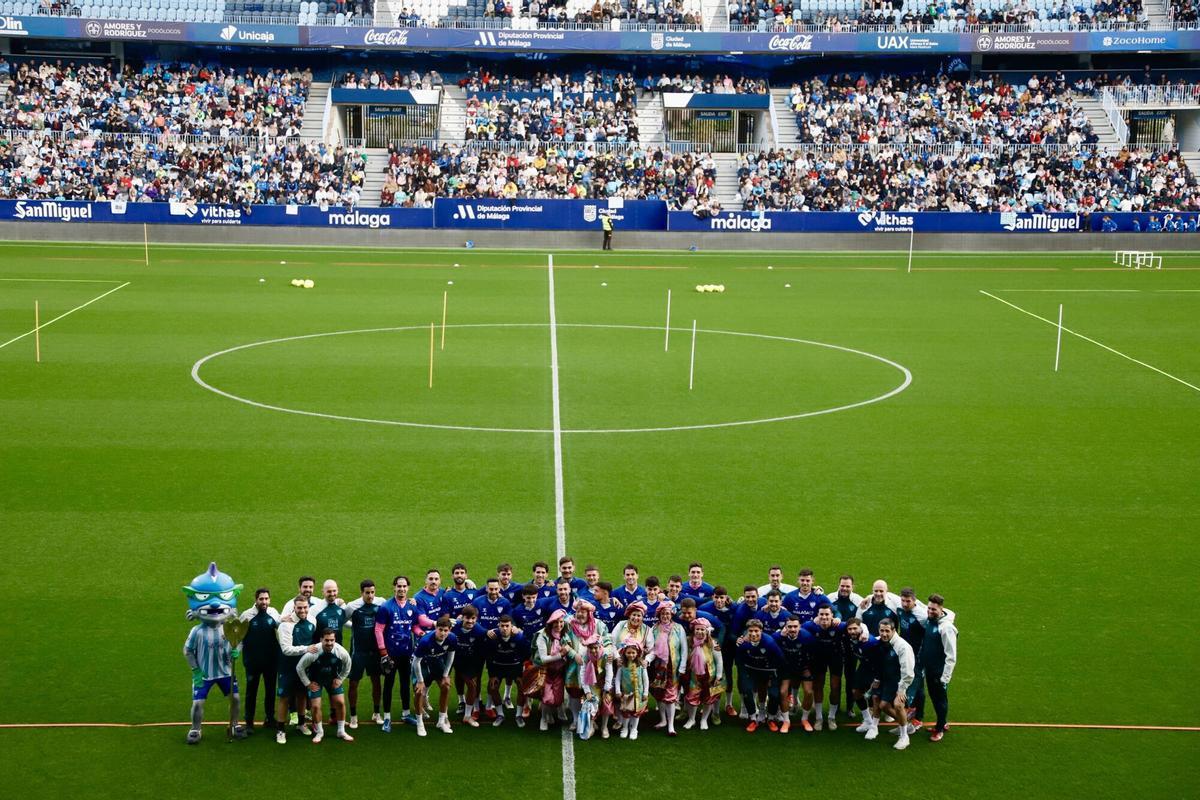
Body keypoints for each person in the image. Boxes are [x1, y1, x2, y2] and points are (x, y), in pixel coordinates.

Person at [374, 575, 418, 732]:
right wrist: (383, 652)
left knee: (405, 683)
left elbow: (414, 627)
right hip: (391, 654)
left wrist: (421, 633)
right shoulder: (386, 607)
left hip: (406, 653)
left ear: (408, 588)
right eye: (399, 586)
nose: (402, 589)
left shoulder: (412, 607)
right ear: (394, 587)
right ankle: (387, 717)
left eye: (404, 586)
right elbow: (378, 630)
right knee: (389, 685)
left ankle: (406, 714)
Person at [295, 628, 354, 744]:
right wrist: (308, 683)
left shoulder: (340, 651)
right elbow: (299, 667)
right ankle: (320, 732)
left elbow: (348, 664)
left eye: (332, 640)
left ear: (335, 639)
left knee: (341, 702)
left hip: (332, 680)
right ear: (321, 639)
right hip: (316, 680)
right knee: (316, 707)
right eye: (327, 640)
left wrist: (340, 679)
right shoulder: (313, 652)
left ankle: (341, 731)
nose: (329, 643)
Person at [275, 596, 320, 744]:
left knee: (301, 695)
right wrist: (306, 649)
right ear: (294, 608)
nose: (303, 610)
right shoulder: (285, 625)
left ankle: (301, 724)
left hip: (304, 667)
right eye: (299, 608)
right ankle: (280, 730)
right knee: (285, 698)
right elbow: (286, 649)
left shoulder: (312, 621)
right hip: (287, 667)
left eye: (305, 607)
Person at [801, 604, 850, 731]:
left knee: (835, 687)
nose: (824, 617)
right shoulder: (810, 626)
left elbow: (859, 626)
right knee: (818, 686)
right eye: (821, 614)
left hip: (835, 658)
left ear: (832, 616)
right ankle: (819, 717)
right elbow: (796, 629)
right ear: (817, 616)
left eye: (827, 614)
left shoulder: (840, 626)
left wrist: (865, 632)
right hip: (818, 658)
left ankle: (831, 717)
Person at [239, 588, 281, 733]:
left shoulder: (274, 613)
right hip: (252, 661)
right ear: (256, 600)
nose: (264, 602)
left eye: (266, 599)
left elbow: (282, 627)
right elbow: (238, 636)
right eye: (261, 599)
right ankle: (249, 722)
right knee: (251, 691)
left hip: (271, 660)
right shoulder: (246, 615)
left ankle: (270, 718)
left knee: (270, 691)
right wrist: (235, 652)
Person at [871, 618, 915, 750]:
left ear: (894, 630)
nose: (884, 634)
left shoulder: (902, 646)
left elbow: (907, 671)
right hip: (890, 680)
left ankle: (904, 737)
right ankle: (906, 725)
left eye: (887, 631)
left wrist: (901, 690)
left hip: (905, 680)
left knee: (898, 704)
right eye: (882, 631)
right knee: (883, 705)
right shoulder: (880, 641)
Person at [920, 594, 958, 742]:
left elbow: (951, 656)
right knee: (935, 698)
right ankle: (942, 722)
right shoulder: (931, 620)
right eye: (929, 608)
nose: (930, 611)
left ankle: (940, 728)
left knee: (940, 699)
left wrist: (945, 678)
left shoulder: (946, 628)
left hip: (939, 672)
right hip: (930, 669)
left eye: (934, 609)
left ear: (941, 609)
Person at [412, 616, 458, 736]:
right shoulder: (425, 641)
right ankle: (420, 723)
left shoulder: (452, 639)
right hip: (422, 663)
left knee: (446, 687)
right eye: (440, 629)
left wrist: (445, 675)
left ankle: (441, 721)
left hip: (436, 661)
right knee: (419, 692)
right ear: (436, 628)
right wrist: (420, 681)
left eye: (445, 630)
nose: (442, 633)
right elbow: (416, 662)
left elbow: (450, 657)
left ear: (450, 630)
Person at [736, 619, 784, 732]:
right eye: (750, 631)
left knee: (774, 694)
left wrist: (775, 676)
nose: (753, 634)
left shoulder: (769, 642)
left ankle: (771, 718)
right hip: (751, 670)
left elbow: (781, 659)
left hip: (769, 670)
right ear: (747, 631)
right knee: (746, 690)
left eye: (756, 631)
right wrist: (744, 676)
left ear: (761, 631)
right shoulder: (743, 643)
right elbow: (739, 660)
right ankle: (753, 718)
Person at [647, 602, 686, 736]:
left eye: (668, 613)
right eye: (663, 613)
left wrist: (682, 666)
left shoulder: (678, 628)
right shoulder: (653, 629)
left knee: (670, 695)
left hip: (672, 667)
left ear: (672, 614)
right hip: (658, 667)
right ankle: (663, 720)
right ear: (659, 615)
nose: (665, 616)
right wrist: (648, 660)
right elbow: (651, 648)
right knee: (659, 692)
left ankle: (671, 726)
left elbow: (684, 648)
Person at [483, 615, 529, 727]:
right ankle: (500, 714)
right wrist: (492, 674)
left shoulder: (519, 637)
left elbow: (526, 653)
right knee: (493, 687)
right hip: (498, 666)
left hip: (514, 666)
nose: (504, 628)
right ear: (498, 626)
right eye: (502, 626)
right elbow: (488, 657)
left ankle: (518, 715)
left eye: (507, 626)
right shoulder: (493, 637)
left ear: (511, 626)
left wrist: (520, 665)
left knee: (522, 687)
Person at [828, 575, 864, 716]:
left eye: (847, 586)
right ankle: (834, 707)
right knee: (835, 679)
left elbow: (862, 621)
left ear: (852, 587)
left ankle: (850, 707)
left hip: (851, 646)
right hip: (834, 646)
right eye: (842, 585)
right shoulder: (830, 598)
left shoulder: (858, 601)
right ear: (839, 585)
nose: (844, 588)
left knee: (851, 678)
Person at [681, 618, 723, 730]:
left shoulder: (713, 643)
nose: (699, 632)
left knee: (709, 698)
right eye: (697, 629)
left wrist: (719, 676)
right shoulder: (688, 641)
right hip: (693, 676)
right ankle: (691, 719)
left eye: (702, 630)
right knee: (692, 697)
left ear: (707, 631)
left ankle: (704, 719)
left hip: (710, 676)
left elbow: (719, 660)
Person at [771, 615, 810, 734]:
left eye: (795, 627)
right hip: (786, 669)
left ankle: (805, 719)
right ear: (785, 627)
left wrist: (809, 668)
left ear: (800, 627)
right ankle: (786, 721)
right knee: (783, 692)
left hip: (803, 668)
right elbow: (768, 642)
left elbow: (815, 653)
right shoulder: (778, 636)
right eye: (789, 627)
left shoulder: (807, 637)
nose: (792, 629)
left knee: (809, 692)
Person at [451, 605, 487, 727]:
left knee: (472, 685)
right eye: (467, 618)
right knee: (457, 679)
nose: (470, 621)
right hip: (456, 659)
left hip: (472, 661)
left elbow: (488, 639)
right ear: (462, 617)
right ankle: (461, 702)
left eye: (473, 618)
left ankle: (467, 716)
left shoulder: (480, 631)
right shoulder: (454, 627)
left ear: (476, 619)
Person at [576, 636, 613, 740]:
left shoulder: (606, 654)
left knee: (607, 701)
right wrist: (587, 691)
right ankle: (591, 725)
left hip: (604, 680)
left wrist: (606, 689)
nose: (593, 650)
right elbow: (583, 673)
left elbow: (609, 672)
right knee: (590, 701)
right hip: (591, 681)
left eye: (595, 648)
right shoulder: (585, 655)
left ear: (600, 646)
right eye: (590, 648)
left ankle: (604, 727)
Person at [614, 640, 649, 739]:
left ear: (637, 653)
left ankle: (634, 729)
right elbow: (617, 679)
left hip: (638, 693)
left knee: (636, 713)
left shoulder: (641, 666)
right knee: (626, 712)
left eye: (633, 652)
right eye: (628, 652)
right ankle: (625, 728)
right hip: (626, 693)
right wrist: (618, 691)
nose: (631, 655)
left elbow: (645, 680)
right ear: (624, 653)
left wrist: (646, 692)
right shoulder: (622, 666)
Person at [413, 569, 445, 636]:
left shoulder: (443, 592)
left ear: (440, 581)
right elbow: (421, 620)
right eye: (431, 579)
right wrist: (436, 623)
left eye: (436, 579)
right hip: (425, 634)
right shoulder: (418, 597)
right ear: (426, 580)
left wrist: (467, 582)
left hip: (442, 632)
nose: (433, 581)